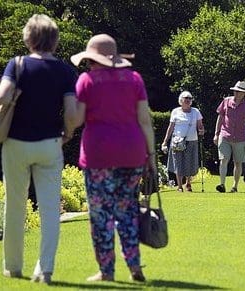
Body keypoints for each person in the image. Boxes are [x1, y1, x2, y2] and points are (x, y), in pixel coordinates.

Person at [0, 14, 78, 284]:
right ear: (54, 40)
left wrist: (0, 92)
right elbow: (72, 113)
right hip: (50, 144)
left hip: (16, 143)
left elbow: (3, 94)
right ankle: (45, 269)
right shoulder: (65, 71)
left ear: (28, 38)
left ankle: (13, 267)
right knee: (50, 209)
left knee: (15, 206)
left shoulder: (17, 65)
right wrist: (69, 132)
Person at [67, 34, 155, 283]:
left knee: (101, 215)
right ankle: (135, 266)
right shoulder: (135, 79)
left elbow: (77, 119)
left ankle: (106, 271)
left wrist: (66, 127)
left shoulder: (86, 81)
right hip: (132, 153)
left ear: (92, 59)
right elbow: (145, 120)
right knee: (127, 211)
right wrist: (151, 156)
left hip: (99, 155)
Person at [213, 81, 245, 193]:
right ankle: (222, 184)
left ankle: (235, 186)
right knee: (223, 160)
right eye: (235, 91)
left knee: (238, 162)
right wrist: (216, 134)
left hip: (240, 138)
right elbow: (220, 118)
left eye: (239, 92)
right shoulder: (226, 101)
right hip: (225, 135)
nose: (237, 93)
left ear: (244, 93)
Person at [161, 91, 205, 192]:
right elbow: (171, 127)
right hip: (177, 141)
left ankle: (188, 183)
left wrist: (201, 130)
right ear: (181, 100)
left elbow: (200, 125)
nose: (188, 100)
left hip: (191, 140)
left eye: (190, 98)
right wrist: (165, 141)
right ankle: (180, 186)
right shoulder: (175, 111)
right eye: (186, 98)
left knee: (189, 162)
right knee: (178, 163)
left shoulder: (196, 111)